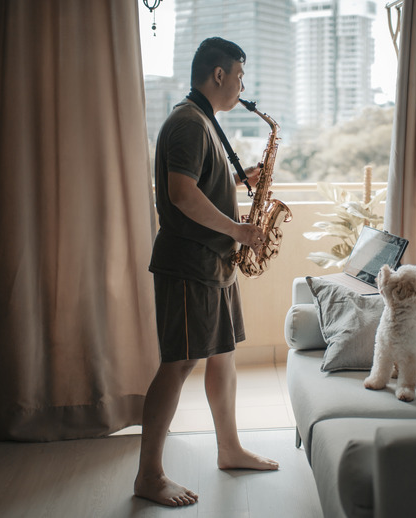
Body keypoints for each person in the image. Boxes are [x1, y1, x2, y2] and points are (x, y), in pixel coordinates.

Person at [134, 37, 278, 508]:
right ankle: (149, 476)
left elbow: (201, 185)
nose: (242, 85)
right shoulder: (188, 122)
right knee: (177, 364)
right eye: (239, 75)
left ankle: (229, 448)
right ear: (218, 75)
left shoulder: (203, 122)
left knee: (222, 355)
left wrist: (239, 180)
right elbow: (181, 195)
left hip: (212, 264)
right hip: (189, 265)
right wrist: (238, 231)